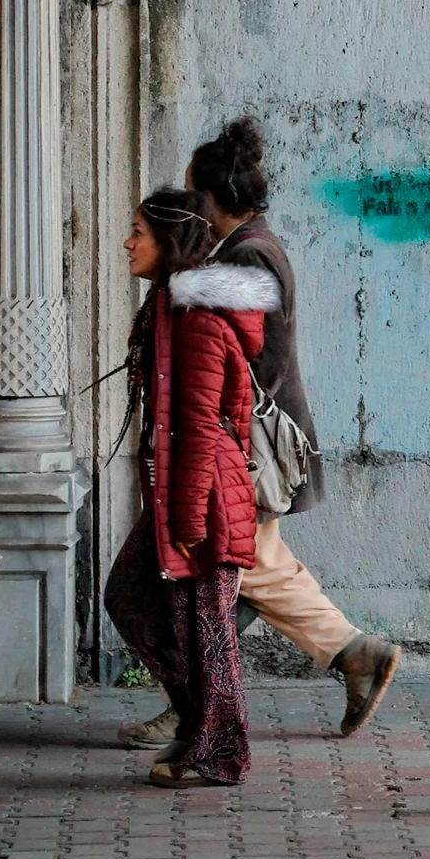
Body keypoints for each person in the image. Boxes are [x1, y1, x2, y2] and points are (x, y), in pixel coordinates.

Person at [117, 118, 400, 752]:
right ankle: (348, 659)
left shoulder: (244, 257)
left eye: (192, 195)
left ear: (210, 198)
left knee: (229, 573)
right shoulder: (250, 246)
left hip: (243, 449)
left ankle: (200, 710)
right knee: (252, 574)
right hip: (241, 445)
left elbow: (247, 363)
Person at [103, 186, 280, 789]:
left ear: (170, 241)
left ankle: (219, 750)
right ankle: (198, 721)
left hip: (201, 494)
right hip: (181, 491)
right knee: (131, 598)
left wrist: (188, 521)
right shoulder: (167, 305)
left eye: (138, 232)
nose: (127, 243)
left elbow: (205, 424)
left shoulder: (198, 318)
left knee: (207, 629)